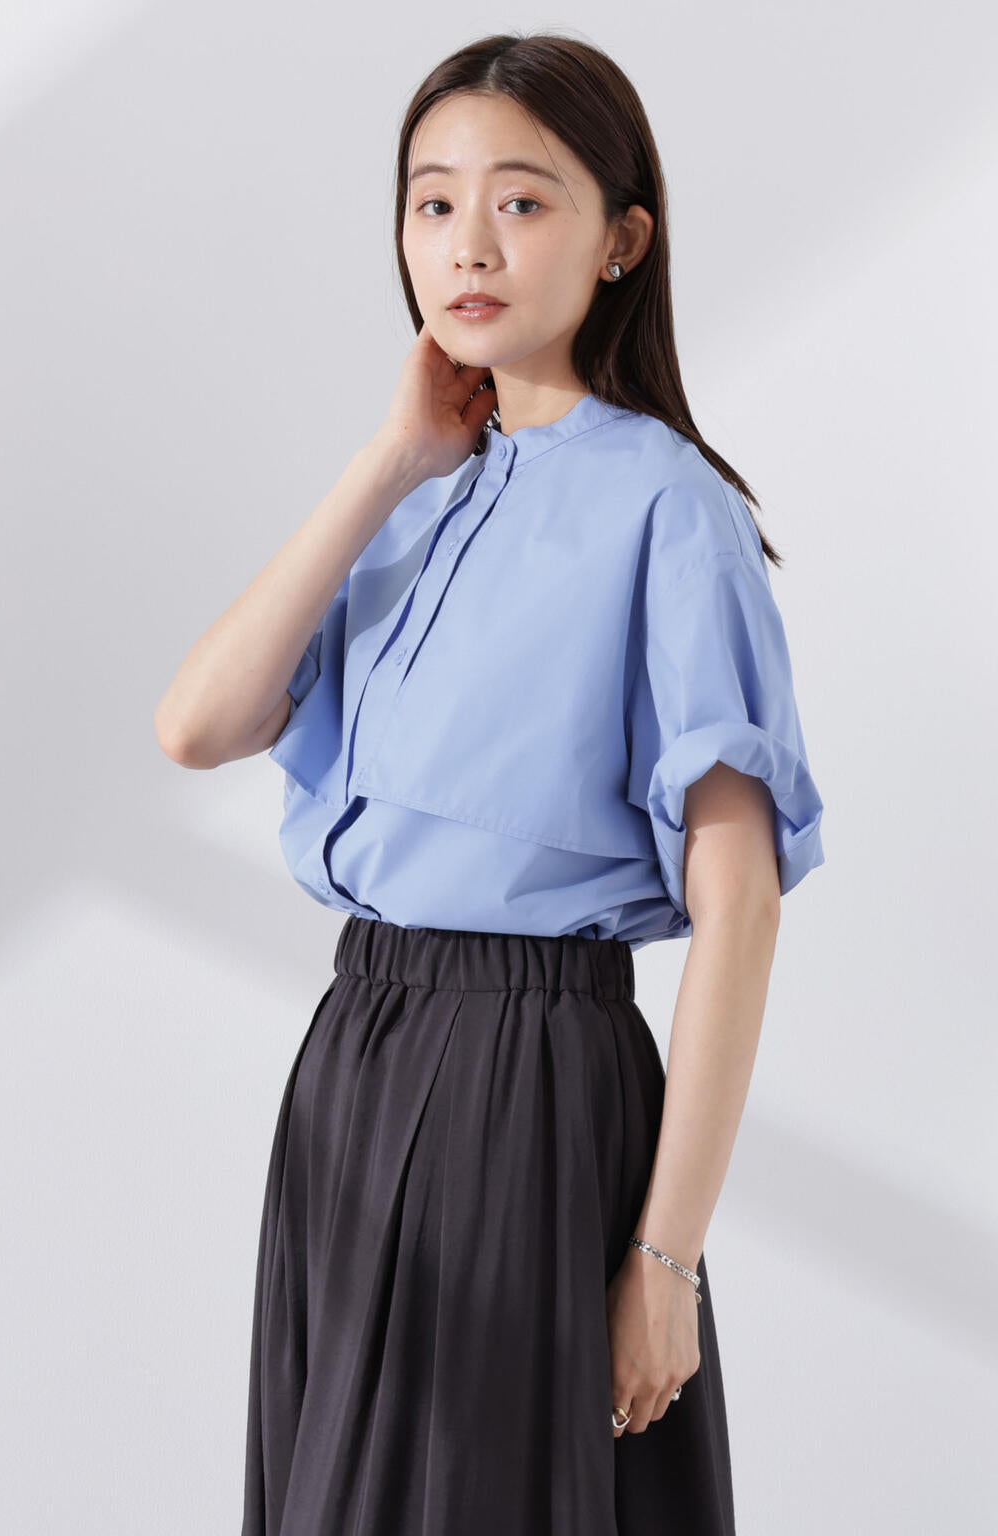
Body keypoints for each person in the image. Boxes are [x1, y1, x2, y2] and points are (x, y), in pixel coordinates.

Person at [155, 30, 824, 1536]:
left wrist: (665, 1258)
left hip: (527, 1076)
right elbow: (198, 723)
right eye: (432, 202)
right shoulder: (417, 499)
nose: (469, 244)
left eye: (522, 201)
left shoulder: (670, 507)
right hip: (356, 1056)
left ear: (621, 239)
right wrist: (388, 459)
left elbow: (742, 905)